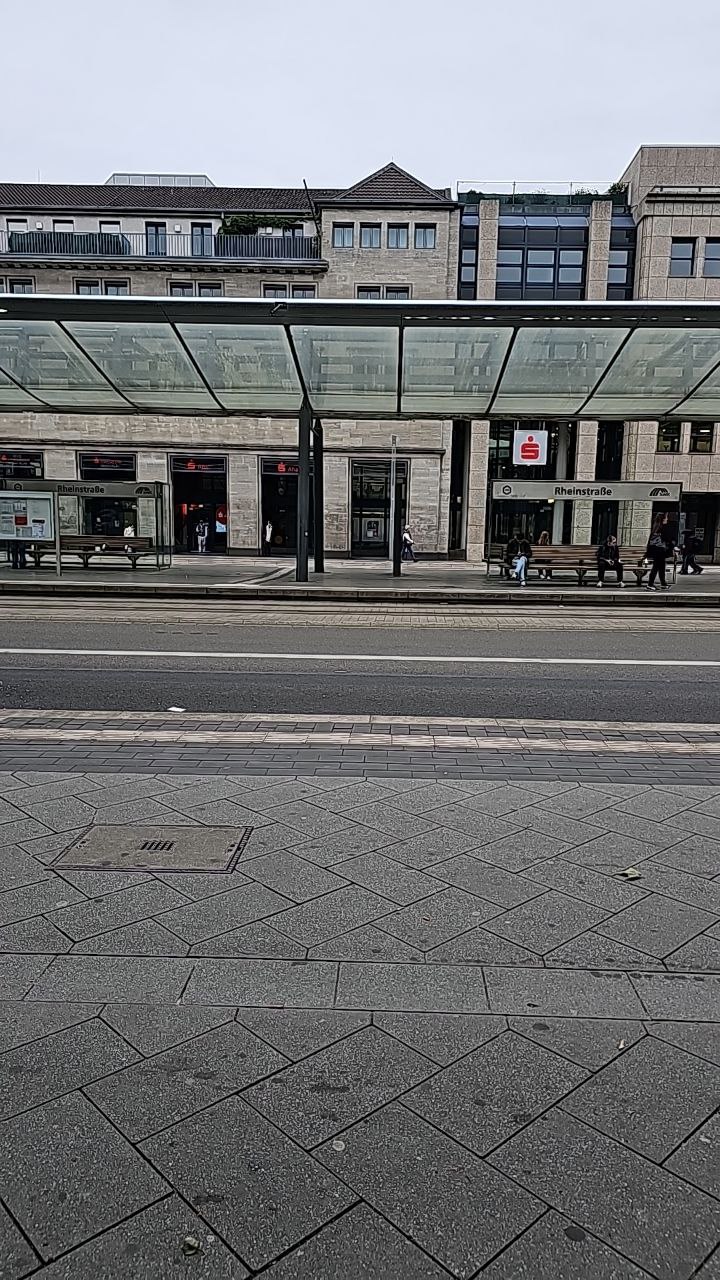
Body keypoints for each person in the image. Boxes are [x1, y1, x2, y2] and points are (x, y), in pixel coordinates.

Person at [645, 513, 672, 591]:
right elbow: (667, 539)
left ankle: (663, 583)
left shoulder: (655, 527)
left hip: (656, 550)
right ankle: (650, 584)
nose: (667, 519)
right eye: (666, 518)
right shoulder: (662, 528)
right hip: (659, 550)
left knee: (661, 567)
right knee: (656, 567)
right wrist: (672, 546)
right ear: (663, 519)